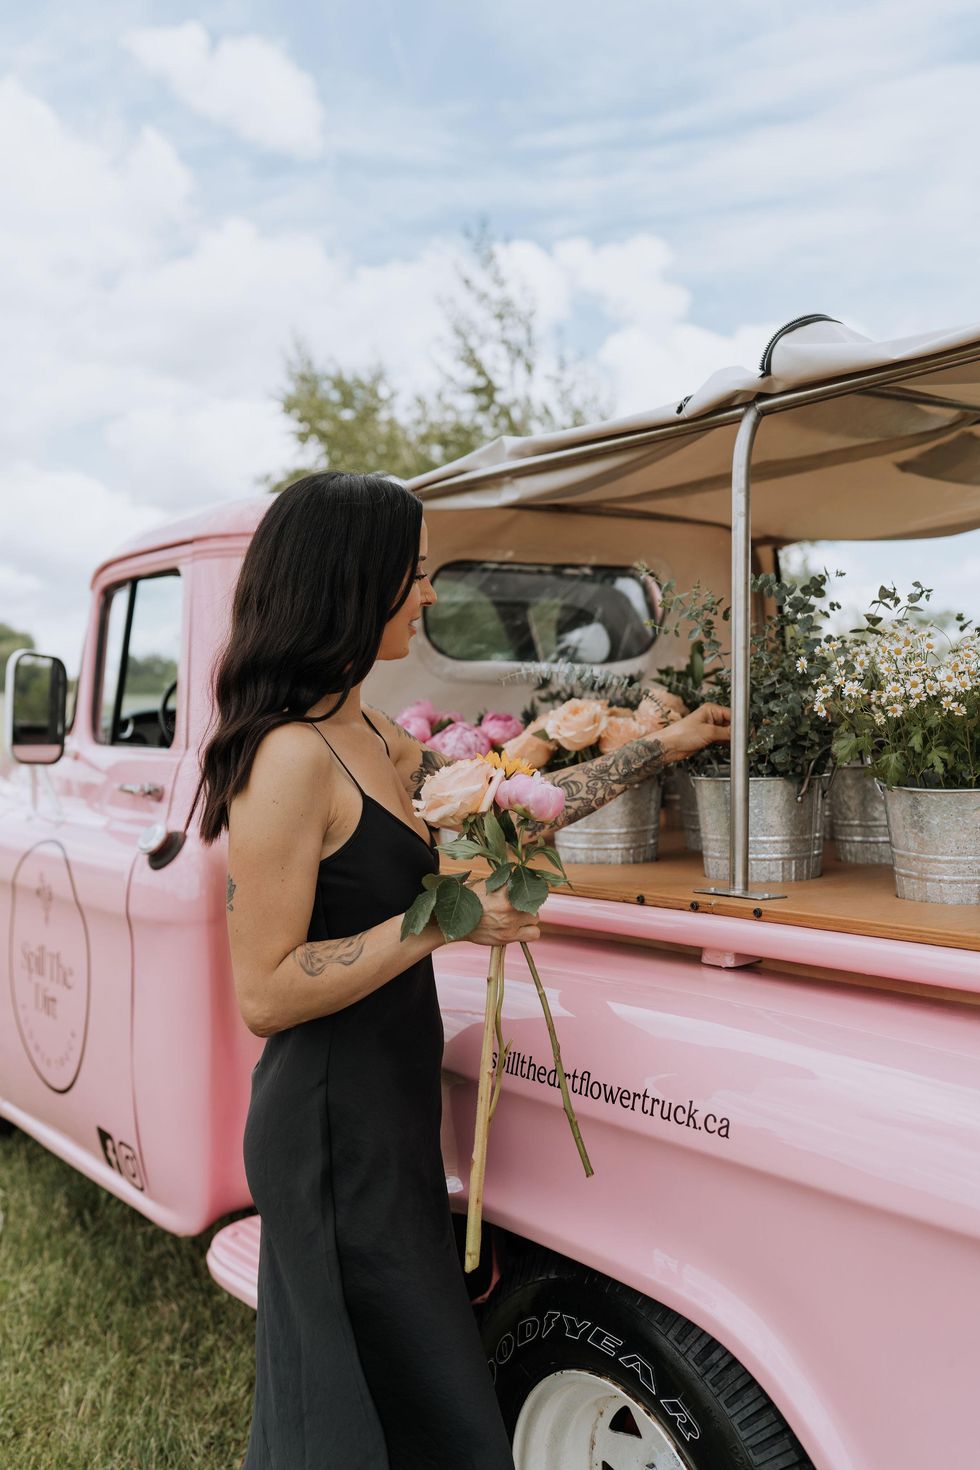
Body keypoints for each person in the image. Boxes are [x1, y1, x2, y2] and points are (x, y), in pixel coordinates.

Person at [194, 471, 731, 1469]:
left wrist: (662, 744)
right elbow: (265, 992)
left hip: (385, 1109)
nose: (430, 596)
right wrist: (446, 921)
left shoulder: (368, 736)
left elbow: (512, 806)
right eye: (415, 575)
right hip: (329, 1132)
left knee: (411, 1394)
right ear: (352, 584)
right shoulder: (290, 758)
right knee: (365, 1412)